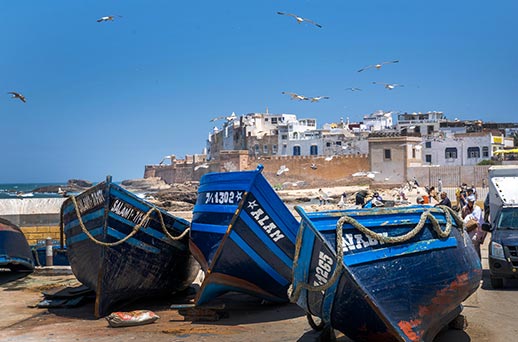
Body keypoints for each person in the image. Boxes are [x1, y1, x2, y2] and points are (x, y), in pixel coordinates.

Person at [461, 194, 486, 259]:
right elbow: (463, 218)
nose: (471, 203)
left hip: (476, 232)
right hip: (468, 231)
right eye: (469, 201)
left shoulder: (477, 209)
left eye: (472, 201)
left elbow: (477, 220)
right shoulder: (464, 209)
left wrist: (469, 219)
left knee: (476, 249)